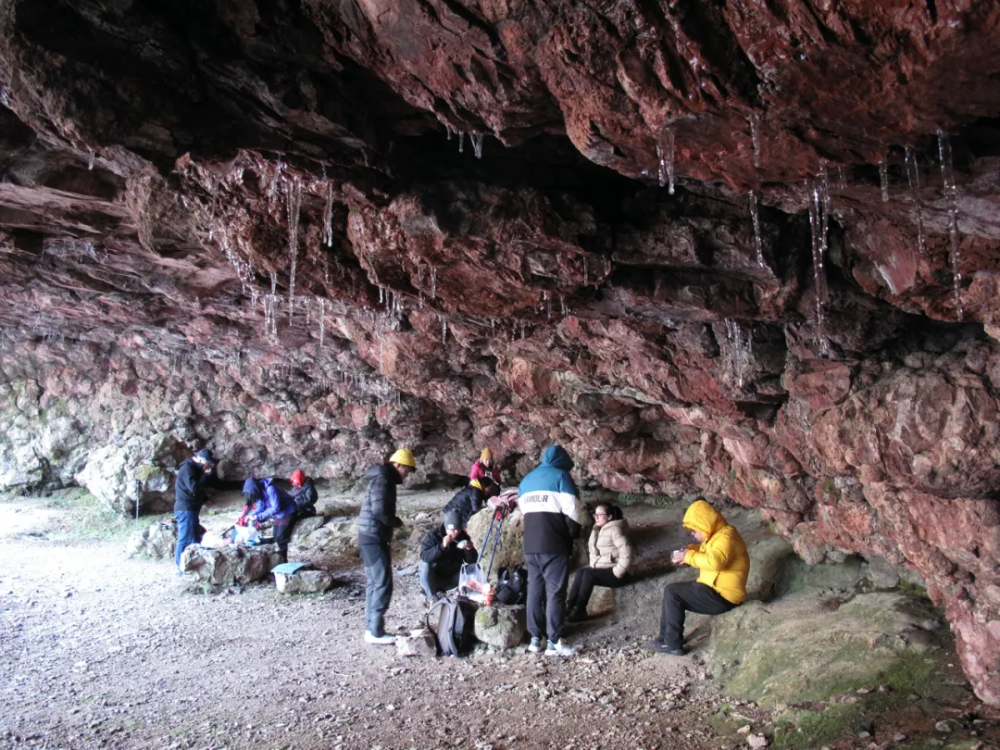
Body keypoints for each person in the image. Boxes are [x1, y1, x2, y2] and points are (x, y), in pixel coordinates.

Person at [651, 498, 750, 656]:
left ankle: (672, 643)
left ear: (705, 524)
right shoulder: (717, 535)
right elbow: (708, 553)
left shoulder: (726, 537)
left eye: (695, 530)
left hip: (723, 597)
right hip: (714, 589)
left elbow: (715, 561)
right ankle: (665, 639)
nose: (693, 533)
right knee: (672, 592)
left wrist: (689, 556)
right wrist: (689, 551)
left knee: (673, 593)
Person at [518, 444, 587, 657]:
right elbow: (573, 511)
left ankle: (535, 639)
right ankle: (554, 641)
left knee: (534, 592)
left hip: (530, 545)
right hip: (554, 544)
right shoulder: (561, 477)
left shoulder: (526, 480)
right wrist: (574, 533)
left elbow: (523, 510)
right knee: (555, 592)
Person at [357, 448, 416, 645]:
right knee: (382, 582)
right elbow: (380, 510)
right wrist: (395, 522)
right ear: (397, 465)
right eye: (407, 469)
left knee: (374, 582)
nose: (407, 474)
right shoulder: (383, 480)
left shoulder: (384, 478)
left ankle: (372, 628)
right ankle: (375, 632)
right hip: (373, 536)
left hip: (369, 535)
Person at [566, 503, 633, 622]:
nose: (596, 517)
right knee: (581, 572)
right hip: (608, 567)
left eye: (599, 515)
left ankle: (581, 609)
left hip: (621, 574)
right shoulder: (601, 529)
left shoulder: (615, 530)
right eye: (595, 514)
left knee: (588, 575)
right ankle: (570, 607)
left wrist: (618, 572)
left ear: (609, 517)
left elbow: (627, 553)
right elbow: (593, 550)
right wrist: (595, 530)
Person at [173, 448, 217, 573]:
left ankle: (193, 563)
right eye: (208, 463)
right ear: (202, 461)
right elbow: (194, 488)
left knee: (196, 535)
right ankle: (180, 566)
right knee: (185, 538)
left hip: (191, 508)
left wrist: (205, 499)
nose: (208, 466)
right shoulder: (188, 468)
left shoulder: (194, 469)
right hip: (186, 508)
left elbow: (198, 489)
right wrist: (205, 475)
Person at [418, 510, 478, 601]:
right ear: (446, 527)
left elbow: (471, 561)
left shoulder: (463, 537)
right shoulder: (433, 536)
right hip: (435, 579)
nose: (455, 532)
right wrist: (442, 547)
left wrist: (469, 550)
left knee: (475, 567)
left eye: (458, 529)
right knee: (424, 564)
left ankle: (466, 592)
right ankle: (432, 597)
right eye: (452, 529)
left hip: (454, 578)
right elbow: (424, 556)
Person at [244, 476, 297, 562]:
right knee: (275, 535)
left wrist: (258, 517)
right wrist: (251, 516)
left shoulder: (270, 489)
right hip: (279, 513)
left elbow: (276, 508)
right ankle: (279, 558)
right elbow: (261, 507)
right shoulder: (259, 491)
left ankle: (283, 561)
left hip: (289, 511)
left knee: (281, 537)